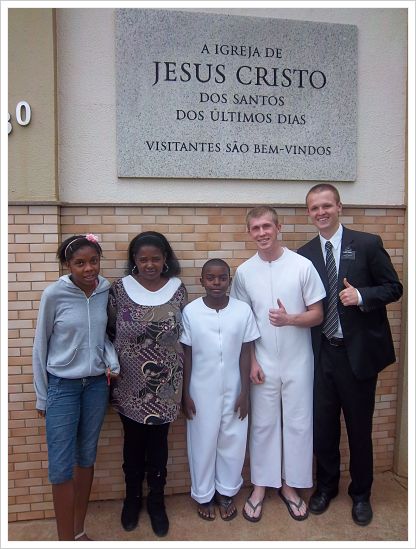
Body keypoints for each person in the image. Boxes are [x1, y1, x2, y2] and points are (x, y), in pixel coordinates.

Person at [297, 183, 403, 526]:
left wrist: (361, 296)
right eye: (314, 208)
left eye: (327, 205)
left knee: (359, 428)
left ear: (339, 207)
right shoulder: (305, 254)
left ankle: (361, 494)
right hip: (321, 353)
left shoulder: (367, 244)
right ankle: (326, 488)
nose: (321, 212)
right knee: (323, 427)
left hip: (357, 356)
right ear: (309, 213)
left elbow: (394, 288)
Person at [230, 206, 326, 522]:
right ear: (249, 232)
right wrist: (252, 362)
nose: (262, 233)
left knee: (299, 422)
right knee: (263, 425)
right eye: (255, 228)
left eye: (266, 226)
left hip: (299, 360)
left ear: (278, 227)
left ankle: (290, 485)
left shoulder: (302, 265)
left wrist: (289, 319)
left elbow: (318, 314)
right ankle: (260, 485)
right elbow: (243, 324)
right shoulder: (244, 272)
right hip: (263, 363)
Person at [32, 234, 120, 541]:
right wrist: (42, 396)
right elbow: (40, 346)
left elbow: (105, 336)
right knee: (60, 466)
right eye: (79, 263)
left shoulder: (105, 290)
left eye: (93, 261)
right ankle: (64, 540)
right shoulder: (54, 295)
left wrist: (111, 360)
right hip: (62, 388)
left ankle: (79, 531)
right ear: (67, 265)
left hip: (96, 386)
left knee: (86, 457)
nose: (88, 269)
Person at [107, 231, 187, 537]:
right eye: (143, 259)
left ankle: (156, 502)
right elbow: (110, 331)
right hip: (129, 385)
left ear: (166, 259)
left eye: (156, 258)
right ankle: (132, 500)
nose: (150, 264)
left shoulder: (179, 290)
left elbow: (182, 336)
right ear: (134, 261)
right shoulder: (119, 289)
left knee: (158, 447)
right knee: (132, 446)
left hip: (166, 388)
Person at [180, 259, 260, 521]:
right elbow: (187, 355)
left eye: (222, 278)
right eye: (211, 278)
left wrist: (245, 394)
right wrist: (185, 394)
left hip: (235, 388)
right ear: (201, 281)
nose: (216, 283)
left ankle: (226, 492)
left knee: (233, 441)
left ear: (229, 280)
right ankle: (203, 495)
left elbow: (246, 353)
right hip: (200, 390)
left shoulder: (242, 311)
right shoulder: (191, 312)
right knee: (202, 443)